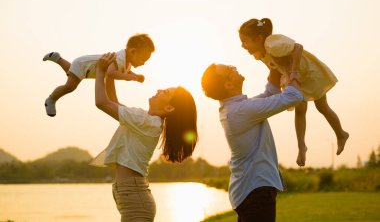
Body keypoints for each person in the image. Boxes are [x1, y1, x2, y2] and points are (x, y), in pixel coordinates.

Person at [91, 52, 198, 222]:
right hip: (131, 194)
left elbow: (102, 103)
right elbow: (113, 102)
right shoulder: (145, 120)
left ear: (170, 108)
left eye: (165, 92)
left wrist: (100, 72)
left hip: (134, 196)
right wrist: (110, 75)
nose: (159, 90)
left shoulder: (147, 122)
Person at [239, 18, 349, 166]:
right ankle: (301, 147)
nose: (242, 45)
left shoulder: (272, 44)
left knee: (322, 106)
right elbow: (272, 64)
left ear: (258, 39)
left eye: (245, 41)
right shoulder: (259, 53)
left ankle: (341, 134)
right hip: (291, 76)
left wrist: (294, 70)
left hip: (307, 72)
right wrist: (275, 74)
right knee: (300, 109)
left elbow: (298, 47)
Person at [201, 63, 304, 222]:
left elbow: (270, 93)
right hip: (256, 191)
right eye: (229, 69)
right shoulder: (240, 111)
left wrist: (275, 67)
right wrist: (294, 69)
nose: (234, 67)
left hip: (250, 190)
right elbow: (294, 96)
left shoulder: (236, 108)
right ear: (228, 84)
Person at [43, 33, 154, 117]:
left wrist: (135, 77)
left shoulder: (127, 62)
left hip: (86, 68)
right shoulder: (118, 58)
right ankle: (51, 99)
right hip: (83, 65)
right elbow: (110, 73)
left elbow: (125, 71)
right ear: (133, 52)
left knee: (70, 71)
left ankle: (57, 58)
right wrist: (127, 77)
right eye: (142, 59)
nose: (143, 63)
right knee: (70, 86)